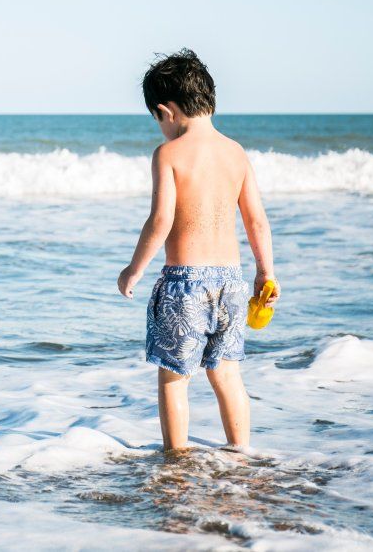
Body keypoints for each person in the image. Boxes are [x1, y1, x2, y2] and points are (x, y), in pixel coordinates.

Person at [117, 49, 279, 452]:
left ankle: (178, 460)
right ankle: (240, 453)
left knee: (174, 377)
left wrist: (133, 270)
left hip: (184, 285)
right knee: (227, 374)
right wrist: (266, 272)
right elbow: (257, 221)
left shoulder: (168, 154)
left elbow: (160, 221)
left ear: (164, 111)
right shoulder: (236, 152)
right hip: (232, 282)